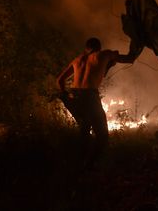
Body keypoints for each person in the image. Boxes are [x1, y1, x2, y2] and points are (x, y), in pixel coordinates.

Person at [56, 37, 134, 165]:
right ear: (99, 48)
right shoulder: (104, 54)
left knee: (84, 132)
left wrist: (66, 95)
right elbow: (129, 59)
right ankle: (90, 165)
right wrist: (136, 46)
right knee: (102, 136)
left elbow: (59, 80)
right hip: (90, 96)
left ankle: (79, 165)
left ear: (86, 48)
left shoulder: (77, 60)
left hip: (74, 96)